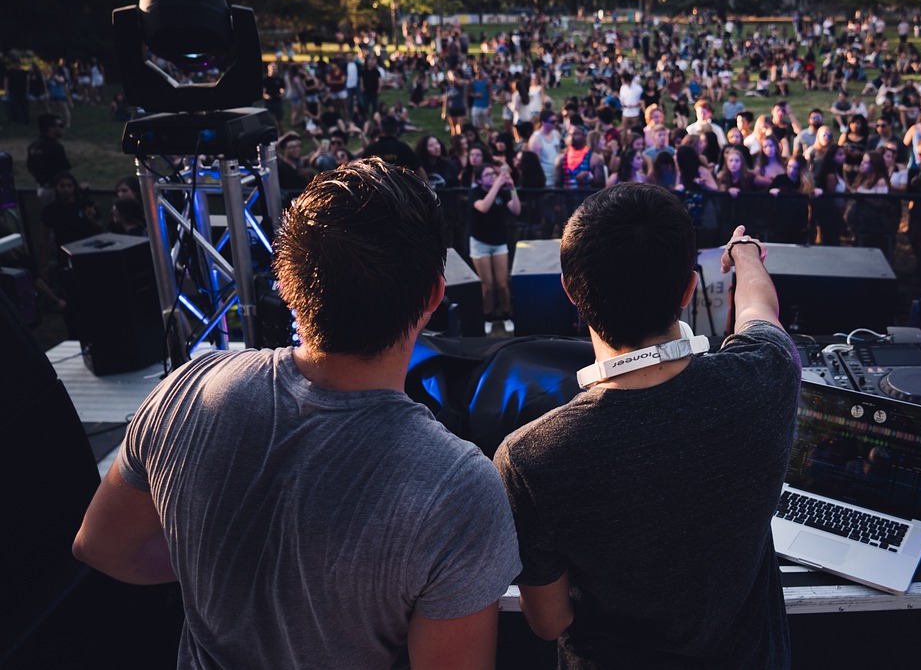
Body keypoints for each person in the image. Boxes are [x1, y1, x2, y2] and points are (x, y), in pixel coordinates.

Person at [73, 158, 520, 668]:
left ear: (285, 286)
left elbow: (100, 547)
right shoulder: (459, 489)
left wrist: (214, 561)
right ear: (435, 296)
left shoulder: (186, 390)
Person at [494, 187, 800, 668]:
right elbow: (759, 311)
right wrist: (745, 253)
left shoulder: (529, 458)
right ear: (686, 289)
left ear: (571, 291)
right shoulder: (767, 374)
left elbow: (548, 622)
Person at [470, 162, 521, 333]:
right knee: (488, 285)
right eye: (488, 175)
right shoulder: (475, 193)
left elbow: (516, 210)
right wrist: (498, 183)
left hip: (499, 242)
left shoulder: (502, 193)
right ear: (479, 180)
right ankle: (488, 317)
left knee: (502, 283)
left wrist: (512, 188)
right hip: (480, 244)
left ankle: (506, 315)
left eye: (494, 173)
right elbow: (483, 207)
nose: (492, 176)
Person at [27, 113, 71, 205]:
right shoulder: (56, 147)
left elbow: (30, 168)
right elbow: (65, 171)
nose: (63, 128)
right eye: (60, 125)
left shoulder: (33, 146)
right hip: (56, 191)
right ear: (50, 129)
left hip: (41, 189)